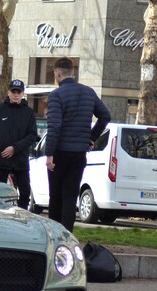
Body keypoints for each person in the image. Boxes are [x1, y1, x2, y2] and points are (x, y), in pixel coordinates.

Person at [45, 57, 111, 232]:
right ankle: (68, 234)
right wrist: (91, 138)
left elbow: (54, 126)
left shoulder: (56, 95)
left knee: (56, 196)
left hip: (60, 151)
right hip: (79, 153)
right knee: (70, 196)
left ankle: (54, 233)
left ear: (57, 73)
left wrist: (49, 154)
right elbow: (105, 116)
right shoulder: (89, 92)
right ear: (72, 73)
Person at [0, 79, 37, 209]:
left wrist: (15, 148)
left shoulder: (29, 113)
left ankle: (22, 217)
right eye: (13, 91)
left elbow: (32, 135)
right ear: (8, 92)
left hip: (20, 159)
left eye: (19, 92)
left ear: (23, 93)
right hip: (2, 159)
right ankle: (0, 214)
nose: (16, 95)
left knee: (24, 192)